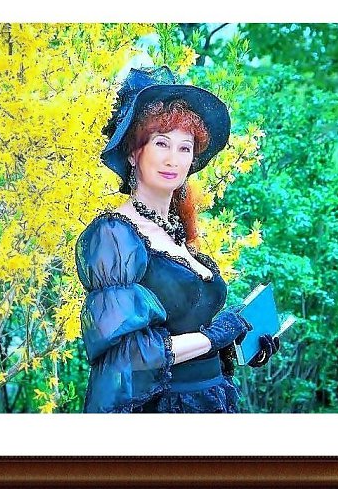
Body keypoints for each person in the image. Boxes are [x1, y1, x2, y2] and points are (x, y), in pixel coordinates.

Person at [75, 66, 280, 413]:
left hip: (211, 402)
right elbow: (129, 356)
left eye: (185, 148)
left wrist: (236, 344)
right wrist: (212, 337)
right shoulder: (113, 236)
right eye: (161, 143)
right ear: (133, 152)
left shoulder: (179, 237)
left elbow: (187, 333)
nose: (174, 159)